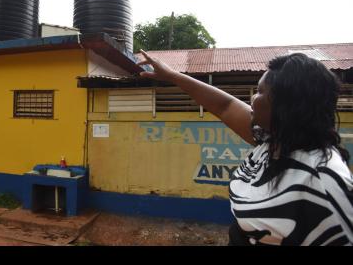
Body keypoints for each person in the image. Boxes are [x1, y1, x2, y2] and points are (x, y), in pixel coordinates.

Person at [137, 50, 353, 246]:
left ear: (285, 106)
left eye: (259, 92)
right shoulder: (274, 140)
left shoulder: (324, 180)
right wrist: (172, 76)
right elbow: (225, 106)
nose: (252, 99)